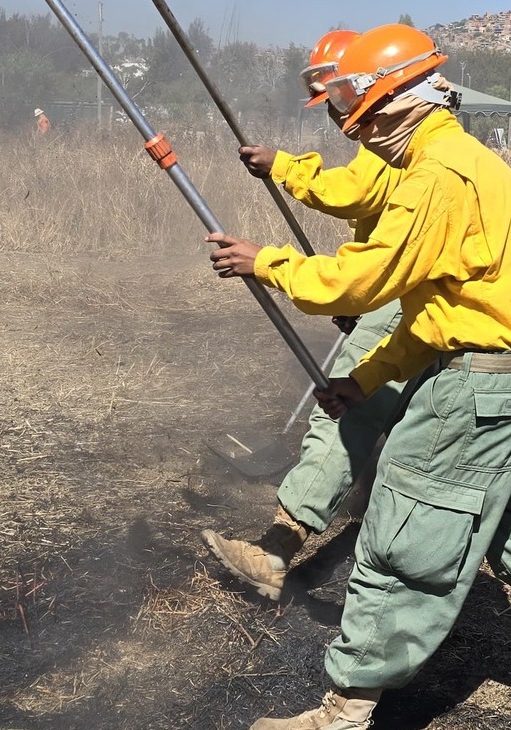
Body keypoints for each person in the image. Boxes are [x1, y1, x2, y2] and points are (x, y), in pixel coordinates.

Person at [206, 23, 511, 730]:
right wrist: (368, 378)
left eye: (359, 121)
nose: (361, 137)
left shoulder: (436, 177)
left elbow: (359, 280)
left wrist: (268, 262)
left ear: (392, 106)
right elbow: (442, 312)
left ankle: (343, 717)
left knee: (399, 545)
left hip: (473, 398)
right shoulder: (480, 167)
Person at [200, 29, 411, 602]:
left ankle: (276, 549)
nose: (339, 116)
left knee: (344, 412)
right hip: (402, 289)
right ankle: (369, 496)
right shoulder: (400, 133)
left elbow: (349, 194)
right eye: (331, 106)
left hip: (405, 294)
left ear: (363, 84)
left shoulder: (397, 145)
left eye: (339, 100)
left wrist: (283, 167)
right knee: (391, 409)